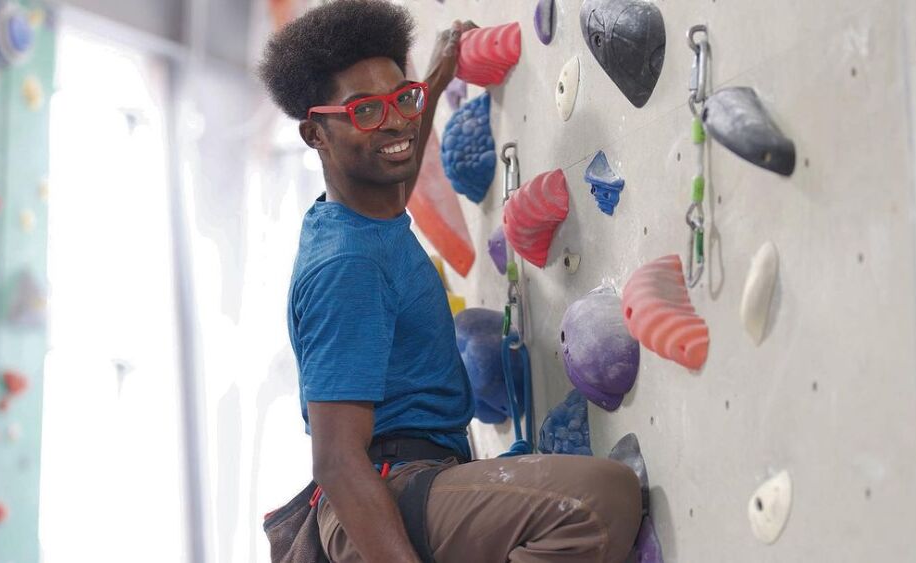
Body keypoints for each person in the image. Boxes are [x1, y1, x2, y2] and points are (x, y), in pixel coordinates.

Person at [259, 1, 643, 561]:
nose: (394, 121)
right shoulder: (346, 265)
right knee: (599, 500)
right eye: (366, 110)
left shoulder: (367, 212)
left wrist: (433, 83)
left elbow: (397, 171)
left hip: (418, 478)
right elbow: (338, 461)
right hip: (376, 501)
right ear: (315, 133)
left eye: (401, 100)